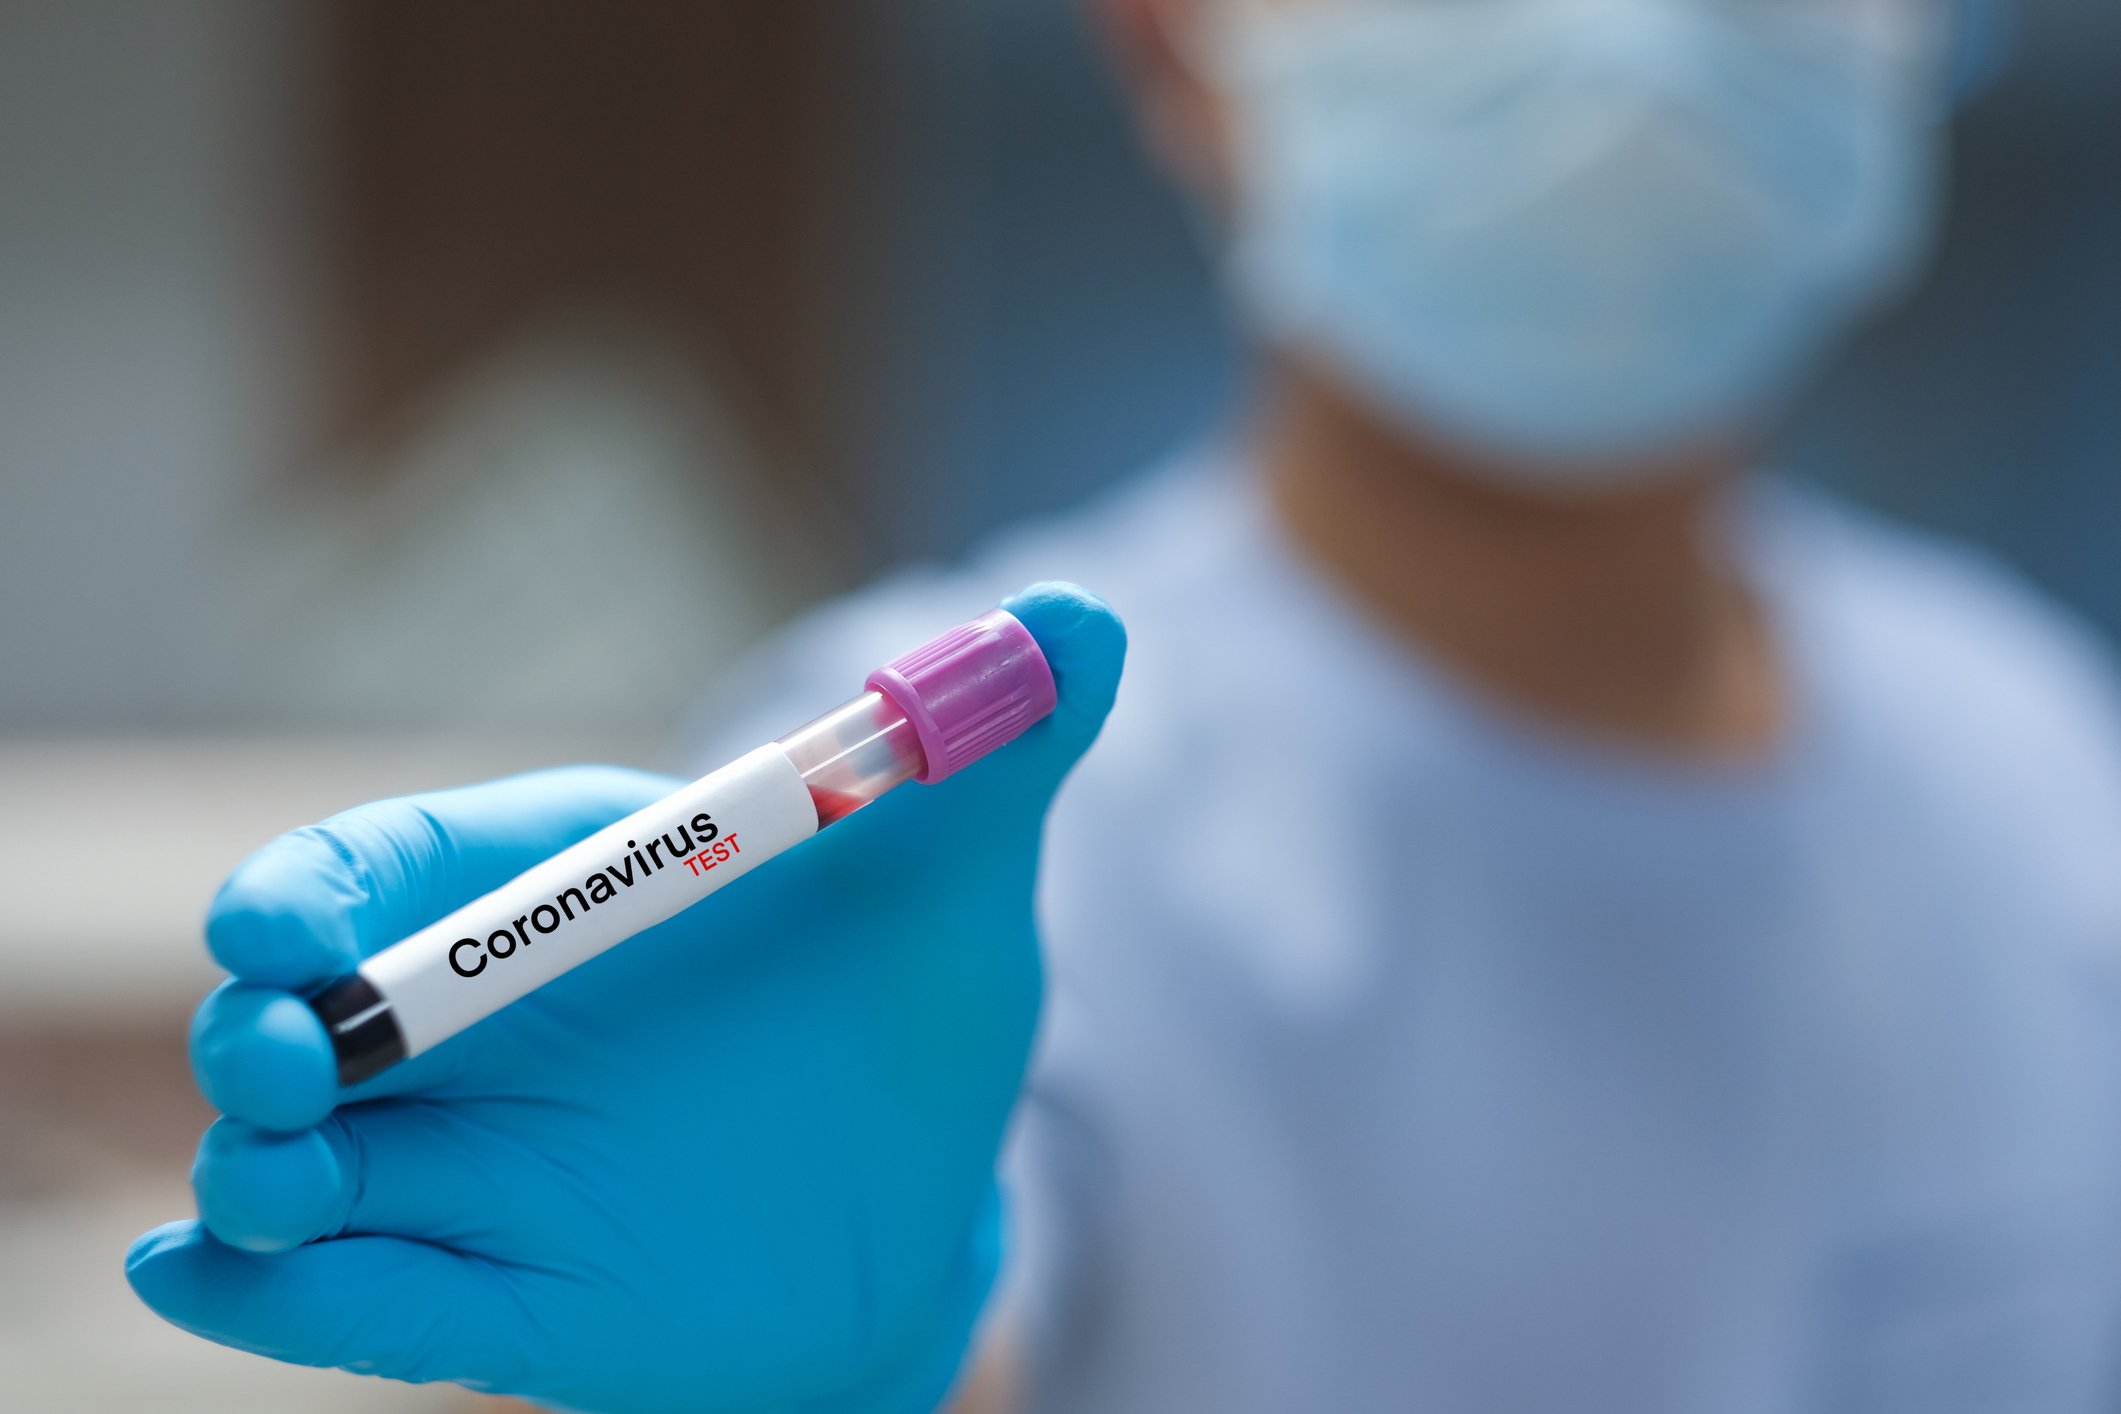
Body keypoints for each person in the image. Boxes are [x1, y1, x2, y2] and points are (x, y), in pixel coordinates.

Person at [128, 0, 2121, 1410]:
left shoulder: (2040, 758)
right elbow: (813, 1278)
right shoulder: (975, 799)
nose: (1628, 42)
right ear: (1171, 39)